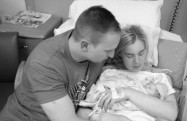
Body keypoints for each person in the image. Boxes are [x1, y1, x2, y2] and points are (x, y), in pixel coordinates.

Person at [0, 6, 132, 121]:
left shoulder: (99, 46)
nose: (112, 55)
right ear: (84, 46)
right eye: (108, 51)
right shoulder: (45, 64)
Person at [77, 25, 178, 121]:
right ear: (120, 54)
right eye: (130, 55)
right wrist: (117, 119)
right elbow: (81, 113)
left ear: (147, 50)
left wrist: (127, 92)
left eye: (141, 53)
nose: (137, 61)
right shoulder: (109, 73)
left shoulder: (158, 78)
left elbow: (172, 113)